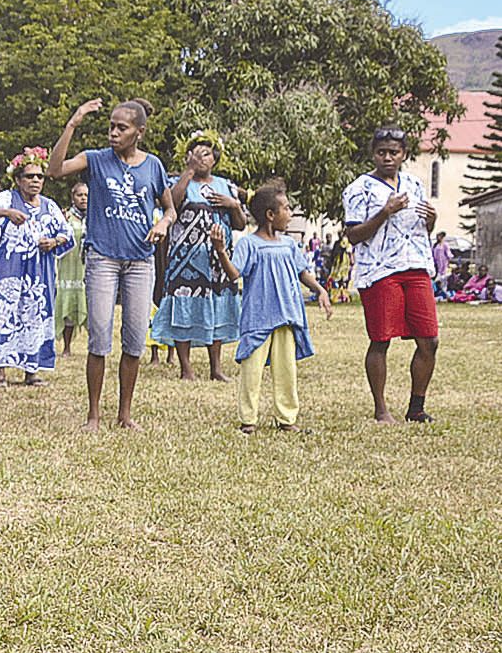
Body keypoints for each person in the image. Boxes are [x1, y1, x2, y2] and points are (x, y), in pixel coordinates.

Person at [46, 97, 176, 431]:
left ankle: (124, 414)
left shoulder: (153, 166)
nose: (114, 133)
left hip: (140, 261)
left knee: (134, 339)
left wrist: (162, 223)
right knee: (99, 337)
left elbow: (170, 208)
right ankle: (93, 414)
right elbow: (55, 170)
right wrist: (73, 123)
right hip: (102, 258)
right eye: (111, 126)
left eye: (122, 127)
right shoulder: (96, 160)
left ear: (139, 132)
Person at [212, 182, 333, 433]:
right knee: (252, 370)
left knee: (286, 370)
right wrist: (221, 251)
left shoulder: (289, 245)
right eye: (286, 209)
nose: (289, 214)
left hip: (286, 315)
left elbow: (302, 272)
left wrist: (320, 290)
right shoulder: (248, 244)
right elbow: (235, 274)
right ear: (270, 215)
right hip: (258, 316)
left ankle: (287, 418)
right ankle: (248, 419)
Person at [343, 126, 439, 424]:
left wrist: (432, 221)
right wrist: (385, 212)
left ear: (404, 155)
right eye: (381, 152)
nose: (387, 157)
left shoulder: (414, 184)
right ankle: (381, 409)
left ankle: (416, 407)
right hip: (381, 271)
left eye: (393, 152)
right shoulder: (360, 188)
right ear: (373, 154)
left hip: (416, 266)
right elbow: (354, 234)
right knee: (381, 339)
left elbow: (421, 231)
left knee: (429, 340)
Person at [151, 131, 245, 382]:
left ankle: (216, 368)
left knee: (217, 306)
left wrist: (233, 204)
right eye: (195, 153)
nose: (200, 157)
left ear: (215, 158)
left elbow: (240, 225)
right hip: (186, 260)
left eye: (206, 153)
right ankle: (186, 367)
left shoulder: (226, 185)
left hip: (219, 260)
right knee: (185, 307)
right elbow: (172, 205)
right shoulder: (178, 181)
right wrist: (188, 173)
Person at [0, 147, 75, 385]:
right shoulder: (7, 198)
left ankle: (31, 371)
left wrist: (54, 242)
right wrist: (8, 213)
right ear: (17, 179)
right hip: (8, 270)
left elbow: (67, 234)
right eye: (29, 176)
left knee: (35, 315)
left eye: (39, 177)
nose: (35, 181)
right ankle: (0, 372)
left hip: (38, 273)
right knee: (5, 313)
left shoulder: (50, 206)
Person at [55, 181, 90, 354]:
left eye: (86, 195)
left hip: (89, 269)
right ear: (73, 197)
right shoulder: (65, 217)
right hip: (68, 269)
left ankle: (95, 347)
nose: (83, 199)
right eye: (80, 195)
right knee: (68, 308)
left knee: (93, 309)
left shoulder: (96, 217)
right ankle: (67, 347)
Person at [431, 230, 452, 299]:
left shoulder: (445, 245)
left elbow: (448, 255)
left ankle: (445, 294)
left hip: (443, 265)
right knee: (436, 280)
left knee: (443, 280)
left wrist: (448, 262)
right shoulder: (435, 245)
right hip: (436, 265)